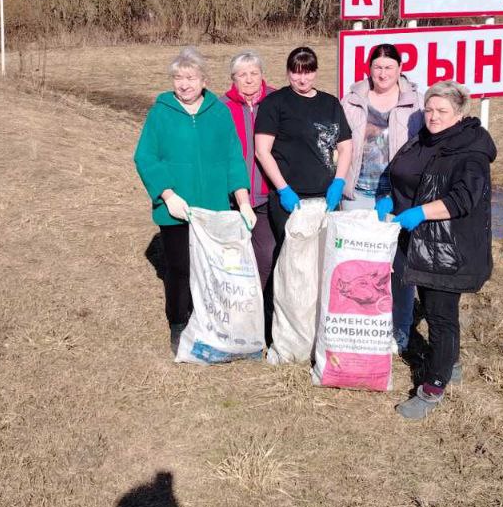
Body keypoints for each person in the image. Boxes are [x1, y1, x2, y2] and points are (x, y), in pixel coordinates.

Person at [387, 80, 496, 420]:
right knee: (439, 310)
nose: (433, 116)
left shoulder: (470, 152)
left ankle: (433, 386)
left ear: (461, 114)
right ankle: (451, 362)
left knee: (439, 315)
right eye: (429, 109)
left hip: (448, 247)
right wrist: (390, 199)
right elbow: (411, 178)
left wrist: (421, 212)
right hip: (422, 242)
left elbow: (463, 199)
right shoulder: (427, 138)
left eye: (442, 111)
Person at [134, 46, 255, 353]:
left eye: (190, 77)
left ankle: (211, 322)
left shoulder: (219, 112)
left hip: (213, 209)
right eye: (178, 78)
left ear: (204, 80)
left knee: (212, 268)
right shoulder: (161, 112)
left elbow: (233, 158)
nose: (184, 84)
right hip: (177, 209)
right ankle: (179, 323)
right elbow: (146, 156)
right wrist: (167, 194)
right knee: (180, 269)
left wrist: (242, 201)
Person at [340, 43, 424, 353]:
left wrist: (402, 194)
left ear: (400, 69)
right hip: (358, 193)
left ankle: (400, 329)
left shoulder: (415, 105)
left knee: (400, 268)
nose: (383, 73)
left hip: (398, 198)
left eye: (389, 67)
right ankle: (360, 328)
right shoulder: (351, 101)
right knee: (359, 265)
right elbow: (340, 144)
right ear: (369, 69)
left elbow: (421, 150)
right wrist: (338, 182)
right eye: (378, 67)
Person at [254, 46, 353, 256]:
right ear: (288, 72)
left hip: (326, 198)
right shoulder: (274, 103)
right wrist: (283, 189)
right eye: (296, 72)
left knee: (323, 257)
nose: (302, 79)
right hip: (292, 199)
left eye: (308, 72)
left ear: (315, 71)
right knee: (293, 259)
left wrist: (339, 182)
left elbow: (345, 147)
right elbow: (262, 151)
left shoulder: (331, 103)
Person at [223, 50, 276, 289]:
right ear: (233, 78)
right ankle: (235, 300)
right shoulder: (221, 107)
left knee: (266, 254)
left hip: (267, 195)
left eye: (254, 73)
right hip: (231, 197)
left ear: (262, 75)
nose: (249, 79)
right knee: (232, 258)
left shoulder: (276, 100)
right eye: (242, 74)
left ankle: (260, 300)